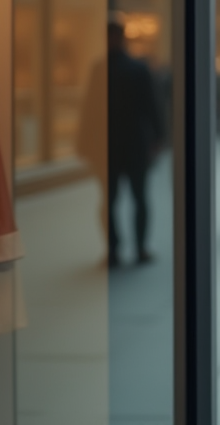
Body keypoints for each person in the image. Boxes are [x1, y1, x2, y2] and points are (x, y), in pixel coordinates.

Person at [79, 20, 164, 267]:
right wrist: (158, 138)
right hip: (133, 144)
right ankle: (137, 248)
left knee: (113, 199)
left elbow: (90, 110)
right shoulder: (137, 69)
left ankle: (117, 249)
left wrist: (85, 145)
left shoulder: (101, 69)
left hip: (112, 146)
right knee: (135, 198)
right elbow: (153, 107)